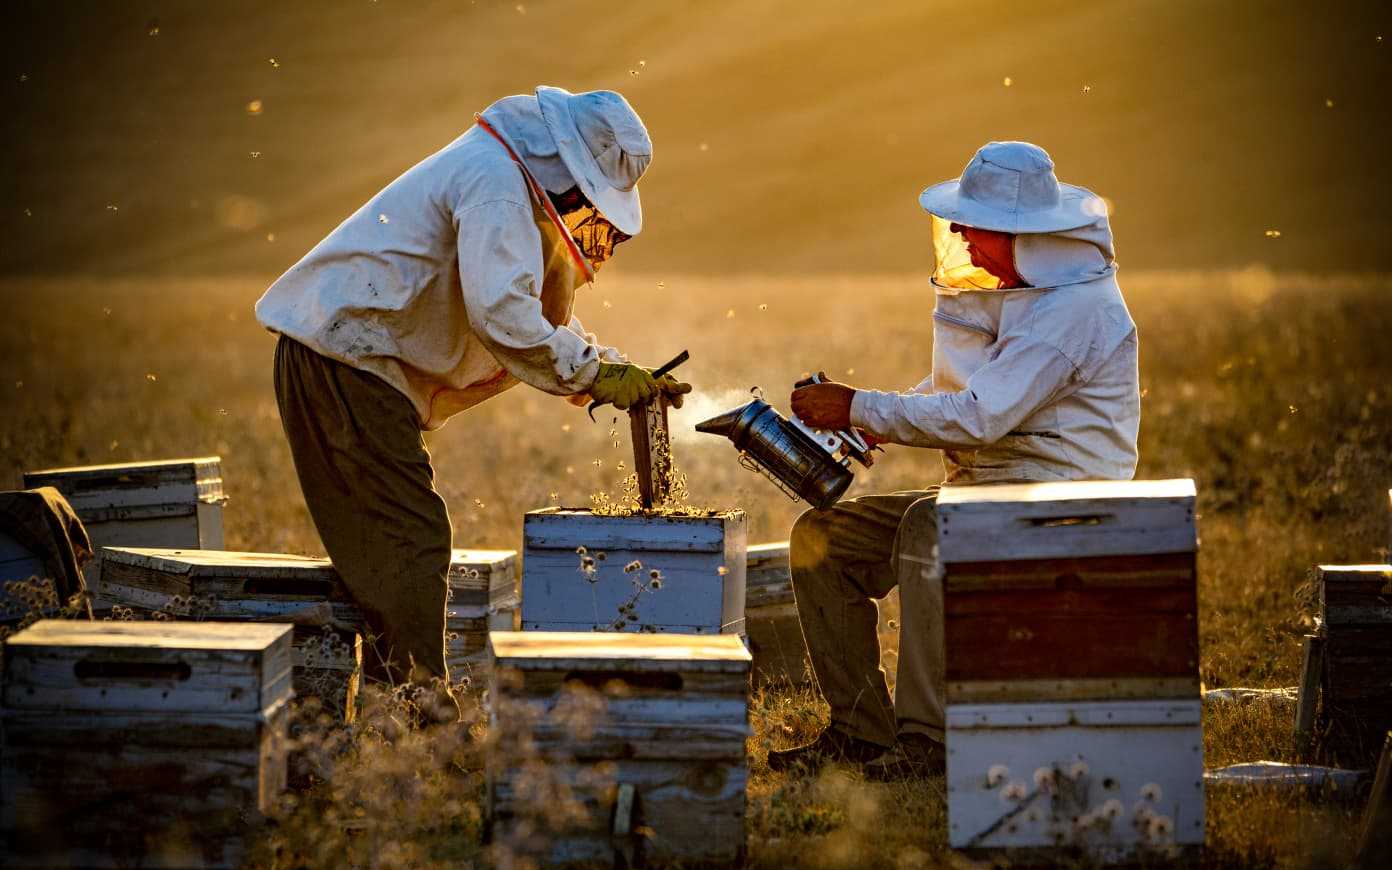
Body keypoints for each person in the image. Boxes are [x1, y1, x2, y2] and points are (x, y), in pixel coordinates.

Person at [255, 86, 690, 688]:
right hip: (343, 359)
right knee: (410, 538)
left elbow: (536, 317)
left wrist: (609, 368)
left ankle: (390, 708)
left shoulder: (504, 180)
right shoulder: (495, 185)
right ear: (565, 170)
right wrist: (595, 373)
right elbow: (505, 315)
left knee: (390, 544)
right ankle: (416, 711)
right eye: (587, 199)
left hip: (356, 360)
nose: (584, 214)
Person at [770, 141, 1141, 779]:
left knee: (927, 528)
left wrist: (859, 406)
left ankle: (930, 742)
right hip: (987, 493)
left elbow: (979, 415)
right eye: (960, 223)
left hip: (1063, 498)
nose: (962, 236)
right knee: (822, 540)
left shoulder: (1076, 311)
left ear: (1022, 234)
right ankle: (859, 730)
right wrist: (872, 426)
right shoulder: (1021, 292)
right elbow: (961, 390)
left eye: (975, 226)